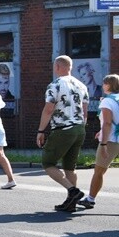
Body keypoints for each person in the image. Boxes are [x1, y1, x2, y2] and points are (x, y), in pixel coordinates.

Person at [35, 55, 90, 213]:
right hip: (80, 128)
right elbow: (85, 111)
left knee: (48, 162)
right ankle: (71, 202)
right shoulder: (81, 85)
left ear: (58, 67)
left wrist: (41, 131)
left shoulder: (55, 84)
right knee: (69, 167)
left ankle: (73, 191)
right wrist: (81, 126)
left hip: (63, 128)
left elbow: (49, 109)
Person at [80, 73, 119, 209]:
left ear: (108, 85)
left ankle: (90, 199)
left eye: (104, 83)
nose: (102, 85)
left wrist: (103, 143)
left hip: (111, 140)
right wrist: (101, 131)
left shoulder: (107, 101)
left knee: (99, 171)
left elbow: (107, 123)